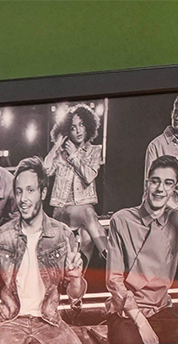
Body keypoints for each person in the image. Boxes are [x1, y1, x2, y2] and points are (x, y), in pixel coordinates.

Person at [0, 157, 85, 344]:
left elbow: (75, 295)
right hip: (10, 321)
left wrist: (76, 279)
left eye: (30, 190)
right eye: (19, 191)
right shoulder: (3, 235)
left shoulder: (62, 235)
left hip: (50, 321)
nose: (23, 199)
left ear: (43, 193)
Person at [105, 154, 178, 344]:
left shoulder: (177, 220)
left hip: (161, 310)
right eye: (155, 181)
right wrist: (141, 322)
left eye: (168, 183)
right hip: (126, 312)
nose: (160, 188)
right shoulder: (121, 220)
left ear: (174, 189)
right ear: (147, 184)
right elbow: (114, 280)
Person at [43, 104, 108, 264]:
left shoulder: (94, 151)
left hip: (85, 213)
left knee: (87, 237)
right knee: (88, 212)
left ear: (88, 127)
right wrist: (57, 145)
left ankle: (80, 275)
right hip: (63, 211)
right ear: (67, 131)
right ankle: (111, 257)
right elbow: (45, 170)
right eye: (73, 127)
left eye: (81, 125)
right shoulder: (61, 154)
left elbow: (89, 176)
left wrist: (74, 156)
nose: (78, 131)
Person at [144, 91, 178, 204]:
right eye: (176, 111)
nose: (177, 117)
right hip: (168, 207)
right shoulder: (156, 145)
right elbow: (149, 186)